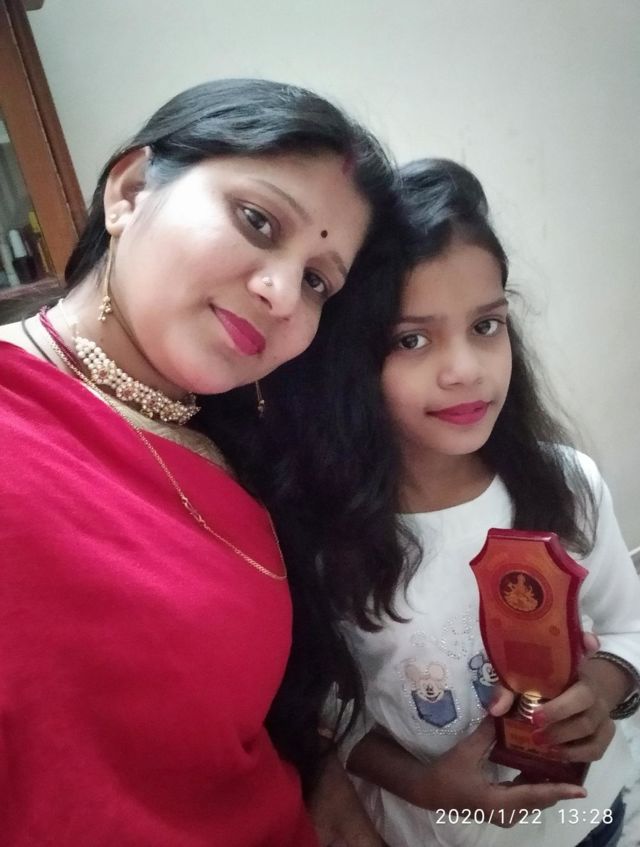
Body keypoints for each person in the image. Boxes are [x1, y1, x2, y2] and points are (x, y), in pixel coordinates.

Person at [0, 77, 400, 847]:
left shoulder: (239, 446)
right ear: (130, 190)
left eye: (318, 281)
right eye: (258, 220)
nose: (283, 294)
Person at [262, 158, 640, 847]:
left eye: (486, 326)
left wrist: (602, 688)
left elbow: (629, 628)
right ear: (348, 362)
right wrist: (423, 785)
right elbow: (328, 711)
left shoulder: (567, 484)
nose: (465, 369)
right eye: (412, 339)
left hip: (590, 818)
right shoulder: (317, 534)